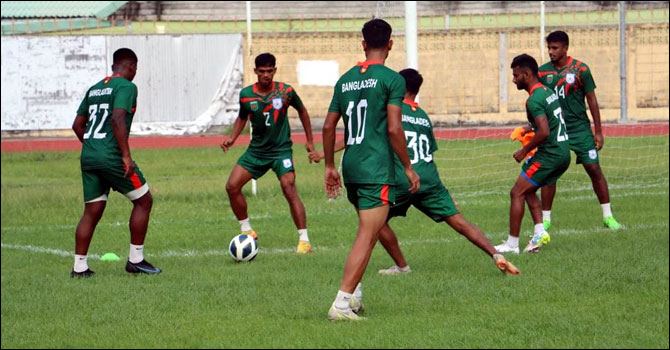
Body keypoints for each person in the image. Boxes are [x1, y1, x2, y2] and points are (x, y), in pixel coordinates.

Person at [311, 68, 520, 277]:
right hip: (429, 179)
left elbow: (362, 134)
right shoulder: (422, 116)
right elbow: (428, 151)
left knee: (374, 222)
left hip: (402, 177)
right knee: (460, 222)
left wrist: (323, 154)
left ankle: (402, 267)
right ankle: (496, 255)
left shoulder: (390, 109)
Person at [322, 19, 420, 322]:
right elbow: (394, 128)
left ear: (363, 44)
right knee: (368, 234)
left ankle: (354, 296)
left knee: (368, 231)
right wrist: (408, 166)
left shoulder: (345, 79)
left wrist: (328, 165)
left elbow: (328, 126)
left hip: (350, 166)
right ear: (391, 44)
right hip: (375, 167)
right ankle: (340, 304)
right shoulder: (392, 80)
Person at [71, 48, 161, 277]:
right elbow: (118, 117)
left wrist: (93, 147)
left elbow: (77, 125)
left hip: (89, 156)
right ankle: (136, 260)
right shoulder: (127, 87)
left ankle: (79, 268)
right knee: (144, 201)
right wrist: (125, 156)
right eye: (135, 69)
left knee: (92, 210)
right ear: (131, 67)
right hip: (111, 157)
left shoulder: (94, 88)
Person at [220, 53, 316, 254]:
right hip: (256, 151)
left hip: (281, 151)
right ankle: (247, 230)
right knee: (232, 186)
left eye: (269, 71)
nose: (266, 75)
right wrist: (233, 138)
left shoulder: (286, 91)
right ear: (255, 71)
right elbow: (241, 117)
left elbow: (303, 111)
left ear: (275, 70)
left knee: (288, 186)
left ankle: (304, 241)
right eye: (262, 71)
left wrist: (309, 141)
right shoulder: (246, 94)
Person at [538, 31, 621, 231]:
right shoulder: (542, 73)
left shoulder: (581, 69)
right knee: (551, 173)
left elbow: (591, 100)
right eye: (549, 48)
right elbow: (538, 101)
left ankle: (608, 216)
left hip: (581, 129)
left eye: (555, 48)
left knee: (594, 168)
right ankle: (546, 219)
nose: (551, 52)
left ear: (565, 48)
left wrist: (598, 131)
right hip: (557, 131)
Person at [495, 54, 571, 254]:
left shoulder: (532, 101)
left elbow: (544, 131)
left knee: (516, 192)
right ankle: (539, 233)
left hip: (550, 155)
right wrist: (528, 129)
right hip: (562, 151)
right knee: (527, 189)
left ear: (526, 75)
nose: (513, 79)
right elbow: (549, 121)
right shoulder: (547, 92)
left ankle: (512, 244)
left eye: (515, 75)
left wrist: (524, 150)